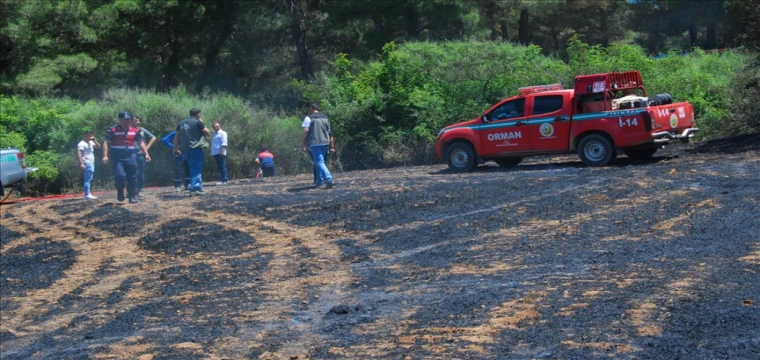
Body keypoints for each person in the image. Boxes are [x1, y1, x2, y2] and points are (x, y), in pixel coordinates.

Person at [102, 111, 151, 203]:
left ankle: (132, 196)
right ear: (120, 120)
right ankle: (120, 191)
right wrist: (105, 155)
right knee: (120, 176)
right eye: (125, 119)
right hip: (118, 157)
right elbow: (106, 142)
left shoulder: (135, 131)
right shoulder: (113, 130)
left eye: (129, 119)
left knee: (132, 176)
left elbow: (140, 142)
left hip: (131, 156)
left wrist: (146, 154)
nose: (127, 121)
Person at [173, 108, 210, 196]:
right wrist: (201, 122)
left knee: (193, 168)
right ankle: (195, 188)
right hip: (196, 148)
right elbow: (208, 132)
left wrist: (175, 149)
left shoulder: (181, 123)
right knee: (196, 168)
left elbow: (176, 137)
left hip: (185, 149)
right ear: (197, 114)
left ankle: (198, 187)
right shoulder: (197, 122)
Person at [301, 103, 335, 188]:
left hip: (315, 143)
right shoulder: (325, 118)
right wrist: (332, 146)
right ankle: (319, 182)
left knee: (319, 162)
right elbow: (330, 133)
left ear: (311, 108)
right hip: (326, 142)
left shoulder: (308, 117)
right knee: (319, 162)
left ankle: (329, 179)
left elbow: (305, 131)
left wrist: (301, 143)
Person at [131, 115, 156, 197]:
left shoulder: (141, 130)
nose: (139, 122)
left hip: (140, 154)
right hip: (129, 154)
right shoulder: (126, 131)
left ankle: (140, 189)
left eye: (138, 121)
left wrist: (146, 149)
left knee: (140, 173)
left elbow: (153, 137)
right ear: (131, 121)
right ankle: (132, 190)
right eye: (136, 121)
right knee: (131, 173)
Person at [77, 130, 101, 200]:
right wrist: (81, 163)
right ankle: (87, 194)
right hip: (87, 162)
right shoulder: (81, 144)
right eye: (90, 135)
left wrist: (95, 140)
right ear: (85, 135)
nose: (91, 137)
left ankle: (87, 193)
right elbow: (79, 153)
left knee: (89, 178)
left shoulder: (91, 142)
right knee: (88, 178)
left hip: (91, 162)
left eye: (92, 135)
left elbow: (99, 147)